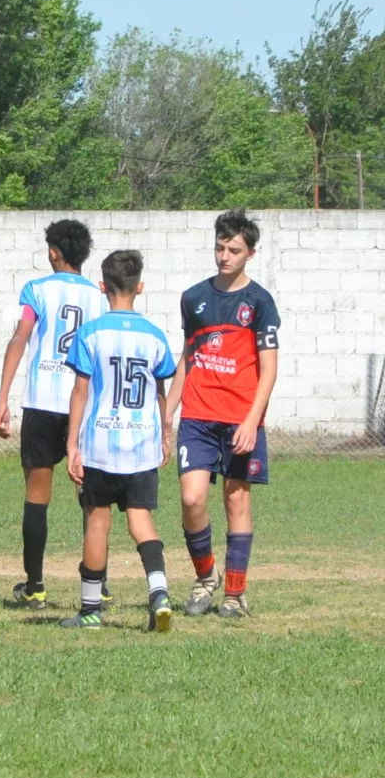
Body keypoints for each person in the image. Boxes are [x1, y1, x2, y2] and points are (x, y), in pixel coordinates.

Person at [164, 209, 280, 618]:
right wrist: (167, 414)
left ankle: (234, 593)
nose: (224, 256)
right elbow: (187, 359)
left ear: (250, 253)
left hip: (239, 419)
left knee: (236, 499)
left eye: (233, 249)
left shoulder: (260, 302)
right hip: (197, 417)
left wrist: (252, 420)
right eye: (219, 247)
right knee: (192, 497)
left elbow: (269, 370)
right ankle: (205, 577)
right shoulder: (194, 299)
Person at [0, 220, 109, 609]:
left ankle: (36, 585)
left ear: (54, 252)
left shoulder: (37, 290)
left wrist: (2, 397)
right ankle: (99, 584)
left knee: (37, 496)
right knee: (91, 497)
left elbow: (20, 338)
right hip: (85, 405)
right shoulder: (99, 296)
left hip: (43, 401)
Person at [60, 250, 176, 631]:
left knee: (97, 524)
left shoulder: (90, 334)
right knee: (141, 522)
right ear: (139, 288)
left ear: (101, 287)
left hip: (99, 447)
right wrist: (163, 433)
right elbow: (160, 390)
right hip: (141, 446)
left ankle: (91, 611)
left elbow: (80, 391)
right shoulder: (155, 336)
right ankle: (159, 593)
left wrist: (72, 444)